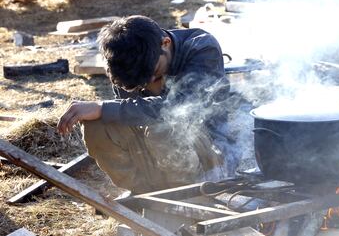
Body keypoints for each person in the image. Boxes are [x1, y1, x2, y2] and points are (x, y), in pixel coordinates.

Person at [57, 15, 234, 194]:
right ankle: (146, 195)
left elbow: (181, 107)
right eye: (140, 82)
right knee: (97, 124)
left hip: (209, 158)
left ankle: (191, 196)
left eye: (154, 73)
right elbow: (127, 115)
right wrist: (101, 112)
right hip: (157, 154)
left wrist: (103, 107)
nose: (149, 82)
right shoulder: (127, 59)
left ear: (165, 43)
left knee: (163, 128)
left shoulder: (201, 47)